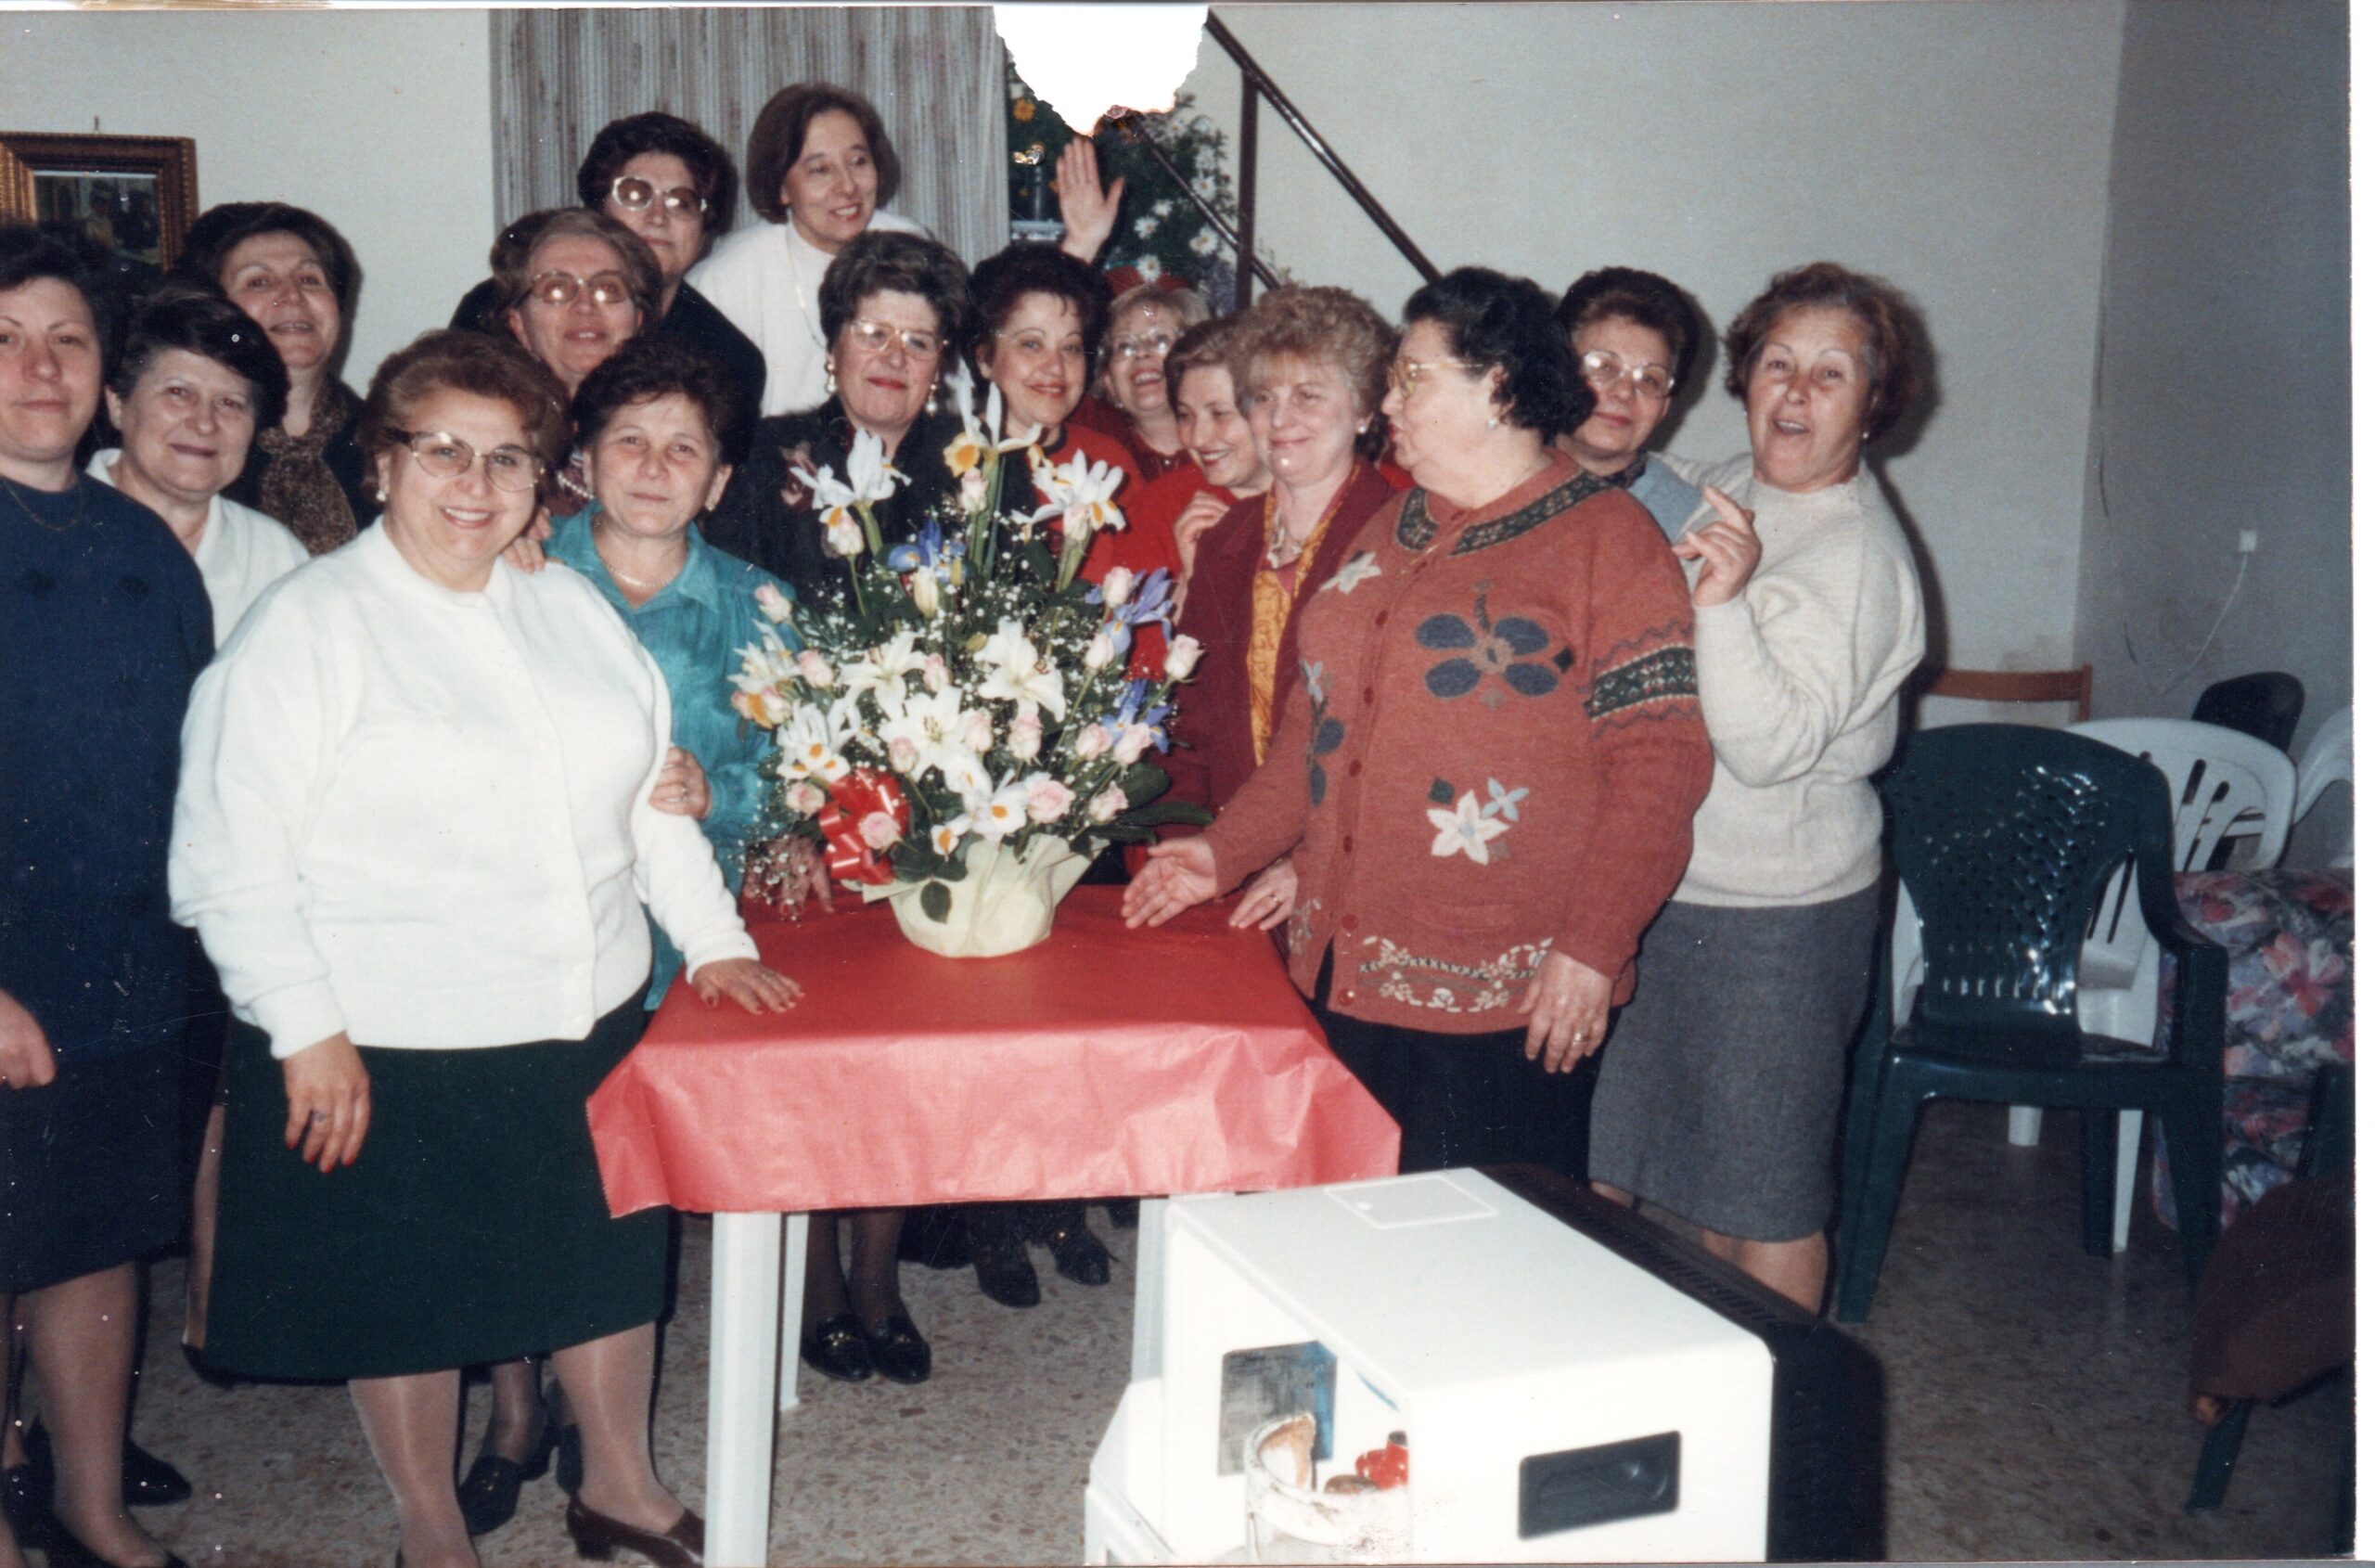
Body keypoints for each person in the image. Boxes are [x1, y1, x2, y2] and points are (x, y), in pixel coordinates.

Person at [169, 328, 801, 1568]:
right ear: (382, 461)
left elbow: (647, 803)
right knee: (409, 1299)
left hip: (584, 1014)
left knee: (602, 1265)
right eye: (442, 452)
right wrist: (304, 1028)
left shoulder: (567, 605)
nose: (475, 483)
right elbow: (227, 860)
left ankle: (620, 1486)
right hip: (396, 1035)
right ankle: (433, 1529)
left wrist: (714, 942)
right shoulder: (308, 627)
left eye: (507, 458)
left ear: (540, 481)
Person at [1123, 266, 1714, 1183]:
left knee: (1479, 1244)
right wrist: (1222, 850)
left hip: (1504, 994)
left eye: (1411, 378)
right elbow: (1312, 732)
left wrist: (1593, 950)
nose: (1389, 401)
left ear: (1498, 387)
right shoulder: (1392, 523)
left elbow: (1659, 766)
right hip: (1340, 966)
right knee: (1347, 1224)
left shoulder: (1610, 543)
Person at [1587, 262, 1929, 1312]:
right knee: (1620, 1164)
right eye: (1777, 364)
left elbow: (1769, 749)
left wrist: (1722, 602)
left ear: (1873, 402)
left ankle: (1782, 1401)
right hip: (1664, 891)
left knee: (1759, 1203)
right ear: (1743, 378)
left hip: (1777, 923)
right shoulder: (1741, 482)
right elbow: (1646, 479)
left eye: (1831, 374)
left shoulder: (1856, 555)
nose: (1795, 392)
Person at [0, 225, 208, 1568]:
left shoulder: (140, 544)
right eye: (6, 340)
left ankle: (90, 1504)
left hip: (125, 965)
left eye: (66, 339)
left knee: (95, 1241)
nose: (40, 367)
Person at [83, 282, 307, 1392]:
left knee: (219, 1094)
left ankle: (212, 1319)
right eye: (177, 393)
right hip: (82, 886)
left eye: (232, 404)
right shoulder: (49, 516)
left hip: (216, 876)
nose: (202, 423)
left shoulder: (275, 557)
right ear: (117, 402)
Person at [1165, 286, 1401, 840]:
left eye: (1308, 396)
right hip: (1224, 844)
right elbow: (1190, 723)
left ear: (1364, 410)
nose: (1280, 418)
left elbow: (1394, 747)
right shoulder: (1226, 538)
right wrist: (1185, 847)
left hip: (1343, 849)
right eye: (1263, 397)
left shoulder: (1402, 538)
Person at [451, 112, 764, 457]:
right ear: (597, 209)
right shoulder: (492, 307)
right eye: (634, 194)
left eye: (681, 202)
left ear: (704, 228)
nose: (658, 217)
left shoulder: (729, 358)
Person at [702, 228, 968, 608]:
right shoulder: (761, 455)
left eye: (918, 342)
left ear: (938, 367)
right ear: (832, 349)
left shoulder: (979, 463)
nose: (895, 358)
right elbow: (732, 602)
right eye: (873, 334)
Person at [687, 84, 930, 418]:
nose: (847, 186)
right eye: (820, 170)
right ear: (782, 187)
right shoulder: (727, 279)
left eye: (858, 161)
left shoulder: (912, 245)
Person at [174, 201, 375, 552]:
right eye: (259, 282)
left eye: (309, 279)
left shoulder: (391, 440)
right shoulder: (187, 445)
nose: (292, 296)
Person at [488, 207, 661, 512]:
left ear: (638, 320)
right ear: (519, 324)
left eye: (608, 288)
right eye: (556, 289)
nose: (584, 306)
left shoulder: (677, 430)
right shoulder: (491, 434)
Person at [969, 241, 1141, 515]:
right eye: (1031, 344)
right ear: (984, 360)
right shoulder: (953, 458)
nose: (1056, 367)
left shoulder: (1110, 463)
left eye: (1070, 347)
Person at [1554, 265, 1706, 539]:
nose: (1624, 392)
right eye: (1603, 366)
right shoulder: (1495, 471)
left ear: (1664, 407)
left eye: (1650, 379)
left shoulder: (1690, 522)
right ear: (1557, 371)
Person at [1072, 278, 1210, 482]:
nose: (1142, 353)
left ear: (1195, 360)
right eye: (1125, 346)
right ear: (1109, 381)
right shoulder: (1092, 430)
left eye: (1160, 339)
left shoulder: (1226, 443)